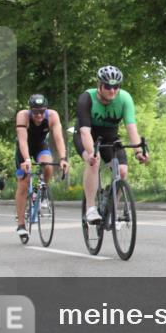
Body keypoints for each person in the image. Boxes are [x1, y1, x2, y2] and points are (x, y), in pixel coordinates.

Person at [76, 66, 149, 225]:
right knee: (93, 161)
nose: (112, 90)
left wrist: (138, 151)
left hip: (109, 138)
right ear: (99, 85)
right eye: (108, 86)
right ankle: (90, 208)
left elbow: (131, 128)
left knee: (122, 171)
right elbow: (85, 132)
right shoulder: (86, 98)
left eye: (116, 86)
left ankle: (111, 206)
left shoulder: (125, 98)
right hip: (87, 136)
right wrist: (92, 153)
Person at [14, 94, 70, 241]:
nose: (39, 115)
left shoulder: (52, 116)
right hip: (24, 148)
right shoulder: (22, 116)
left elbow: (58, 138)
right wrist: (26, 159)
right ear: (30, 110)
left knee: (48, 165)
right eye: (35, 112)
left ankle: (43, 191)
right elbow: (22, 141)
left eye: (42, 112)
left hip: (40, 146)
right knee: (23, 183)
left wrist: (63, 158)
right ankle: (21, 225)